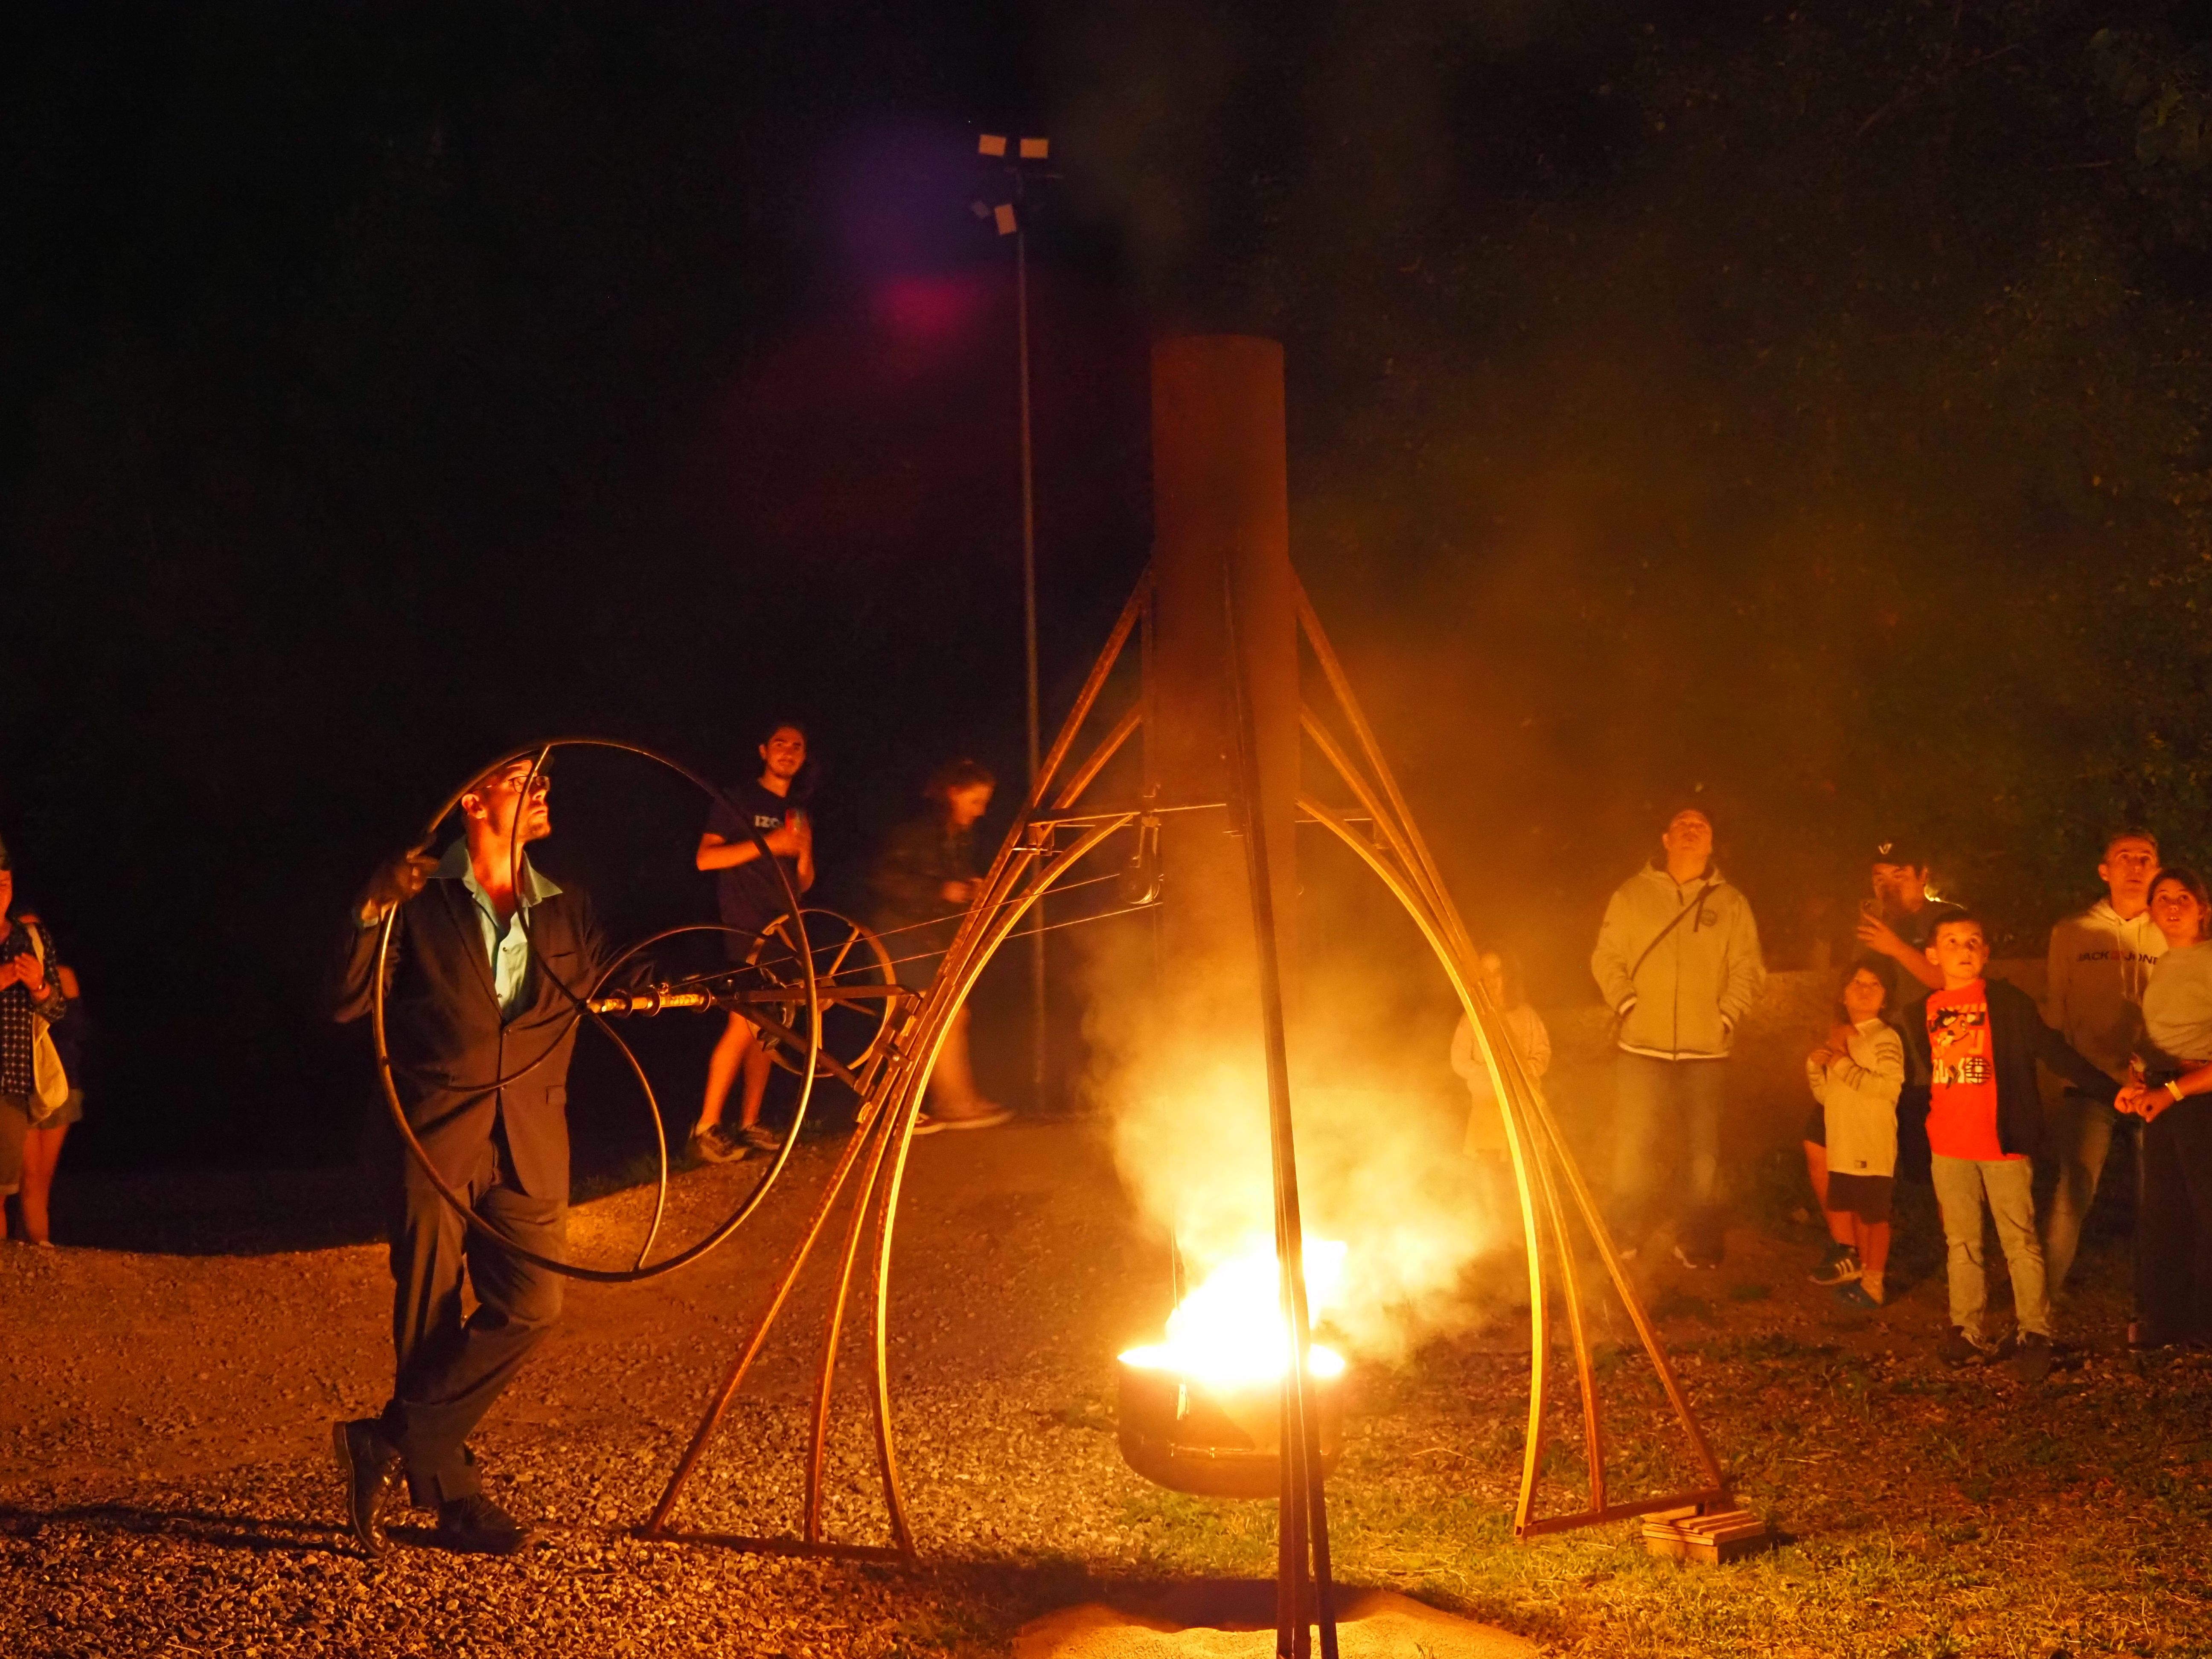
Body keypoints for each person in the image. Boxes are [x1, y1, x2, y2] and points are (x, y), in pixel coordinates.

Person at [329, 755, 622, 1557]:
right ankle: (454, 1501)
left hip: (530, 1137)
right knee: (427, 1316)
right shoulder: (416, 898)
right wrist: (369, 907)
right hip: (433, 1130)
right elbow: (349, 999)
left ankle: (388, 1438)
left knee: (533, 1307)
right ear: (473, 797)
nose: (543, 788)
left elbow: (617, 986)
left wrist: (736, 986)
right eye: (522, 775)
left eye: (546, 777)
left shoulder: (568, 907)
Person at [1899, 912, 2116, 1380]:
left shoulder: (2007, 1004)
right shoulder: (1921, 1011)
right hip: (1948, 1145)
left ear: (1986, 952)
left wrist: (2111, 1090)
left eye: (1974, 941)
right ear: (1934, 955)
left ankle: (2034, 1331)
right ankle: (1966, 1329)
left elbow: (2053, 1052)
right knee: (1962, 1242)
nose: (1964, 949)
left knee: (2019, 1239)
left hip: (2002, 1143)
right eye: (1952, 941)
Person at [1590, 803, 1766, 1268]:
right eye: (1682, 825)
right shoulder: (1631, 895)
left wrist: (1725, 1017)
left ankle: (1697, 1237)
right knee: (1631, 1145)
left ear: (1710, 843)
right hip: (1639, 1046)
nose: (1691, 831)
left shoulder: (1732, 904)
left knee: (1702, 1155)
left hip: (1706, 1050)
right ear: (1666, 840)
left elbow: (1747, 969)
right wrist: (1628, 1005)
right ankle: (1624, 1231)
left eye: (1701, 826)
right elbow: (1606, 958)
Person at [2043, 828, 2166, 1296]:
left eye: (2145, 858)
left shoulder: (2171, 931)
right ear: (2104, 870)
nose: (2135, 867)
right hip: (2091, 1085)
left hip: (2158, 1087)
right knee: (2070, 1197)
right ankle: (2039, 1310)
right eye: (2124, 858)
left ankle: (2156, 1306)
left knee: (2157, 1202)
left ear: (2157, 869)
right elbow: (2056, 1009)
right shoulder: (2072, 931)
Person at [691, 721, 815, 1164]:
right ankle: (707, 1127)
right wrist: (769, 843)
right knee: (744, 1023)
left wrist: (801, 856)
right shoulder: (738, 801)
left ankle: (750, 1123)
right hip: (746, 927)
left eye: (797, 747)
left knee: (771, 1028)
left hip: (786, 930)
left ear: (802, 757)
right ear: (764, 751)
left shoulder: (799, 811)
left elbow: (804, 880)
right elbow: (706, 859)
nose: (788, 751)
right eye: (780, 743)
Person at [869, 759, 1009, 1133]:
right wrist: (941, 890)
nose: (981, 811)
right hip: (900, 935)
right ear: (954, 793)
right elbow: (886, 878)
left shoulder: (955, 836)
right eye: (976, 801)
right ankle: (904, 1107)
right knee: (919, 1020)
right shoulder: (916, 831)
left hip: (929, 937)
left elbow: (949, 877)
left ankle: (955, 1099)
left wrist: (969, 886)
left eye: (985, 803)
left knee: (953, 1015)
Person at [2115, 866, 2212, 1350]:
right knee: (2165, 1212)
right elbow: (2158, 1040)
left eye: (2184, 898)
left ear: (2203, 909)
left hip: (2200, 1100)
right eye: (2163, 898)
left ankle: (2204, 1323)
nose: (2173, 905)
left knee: (2206, 1212)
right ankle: (2165, 1318)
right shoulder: (2163, 964)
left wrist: (2172, 1092)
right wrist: (2139, 1077)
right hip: (2165, 1098)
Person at [1802, 963, 1903, 1307]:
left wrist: (1841, 1062)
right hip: (1845, 1144)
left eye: (1874, 984)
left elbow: (1888, 1088)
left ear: (1886, 997)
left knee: (1874, 1216)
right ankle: (1862, 1276)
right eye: (1857, 983)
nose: (1864, 989)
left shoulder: (1884, 1038)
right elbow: (1828, 1096)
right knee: (1857, 1212)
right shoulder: (1842, 1037)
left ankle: (1875, 1283)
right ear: (1843, 995)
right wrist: (1817, 1069)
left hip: (1871, 1143)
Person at [1449, 947, 1551, 1240]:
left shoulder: (1526, 1016)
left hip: (1522, 1112)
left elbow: (1542, 1051)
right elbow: (1459, 1059)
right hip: (1487, 1110)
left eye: (1498, 973)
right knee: (1492, 1174)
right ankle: (1498, 1235)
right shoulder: (1472, 1019)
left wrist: (1529, 1070)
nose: (1492, 981)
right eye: (1485, 975)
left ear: (1510, 977)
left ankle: (1528, 1234)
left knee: (1523, 1174)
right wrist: (1483, 1074)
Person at [0, 850, 70, 1244]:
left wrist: (39, 986)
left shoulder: (31, 939)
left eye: (4, 884)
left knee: (1, 1192)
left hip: (11, 1081)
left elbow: (58, 1008)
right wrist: (6, 975)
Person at [13, 908, 84, 1247]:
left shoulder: (63, 975)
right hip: (23, 1083)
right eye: (22, 933)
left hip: (62, 1083)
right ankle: (36, 1249)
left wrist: (43, 991)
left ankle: (38, 1248)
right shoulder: (8, 977)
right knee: (28, 1178)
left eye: (35, 933)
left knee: (43, 1179)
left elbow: (79, 1030)